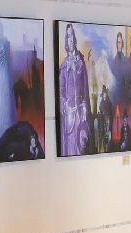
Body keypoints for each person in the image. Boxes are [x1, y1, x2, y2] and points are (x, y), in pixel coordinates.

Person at [58, 24, 90, 157]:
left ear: (74, 38)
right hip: (69, 115)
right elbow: (60, 91)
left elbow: (85, 88)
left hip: (80, 114)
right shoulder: (63, 66)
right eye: (67, 36)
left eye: (71, 35)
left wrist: (84, 106)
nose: (70, 39)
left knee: (81, 147)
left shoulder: (80, 63)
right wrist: (65, 105)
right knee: (70, 148)